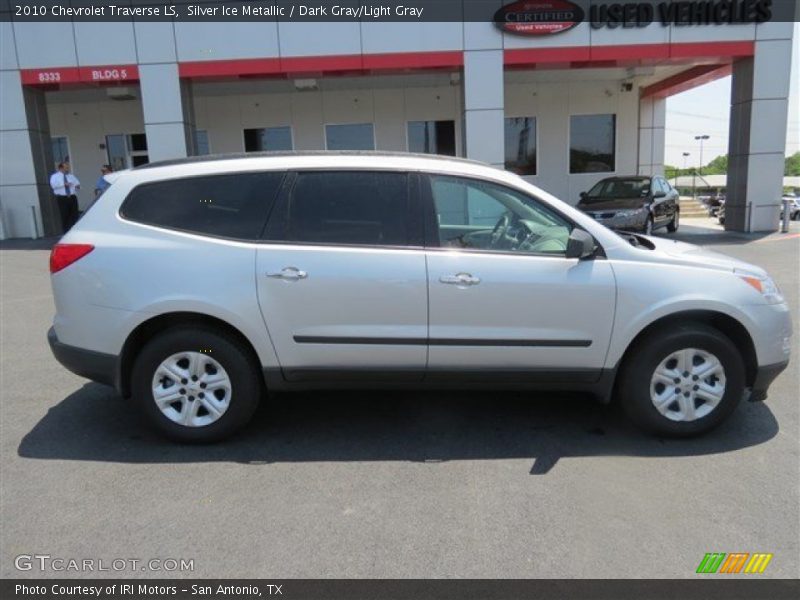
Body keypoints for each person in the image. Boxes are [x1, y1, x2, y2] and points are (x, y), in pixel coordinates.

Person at [49, 162, 80, 230]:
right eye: (66, 168)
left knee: (75, 215)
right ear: (61, 168)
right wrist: (64, 184)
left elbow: (77, 183)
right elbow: (53, 186)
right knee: (64, 215)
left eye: (68, 167)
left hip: (72, 197)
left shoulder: (71, 176)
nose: (68, 169)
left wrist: (78, 186)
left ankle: (75, 230)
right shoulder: (55, 176)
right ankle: (66, 231)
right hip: (62, 198)